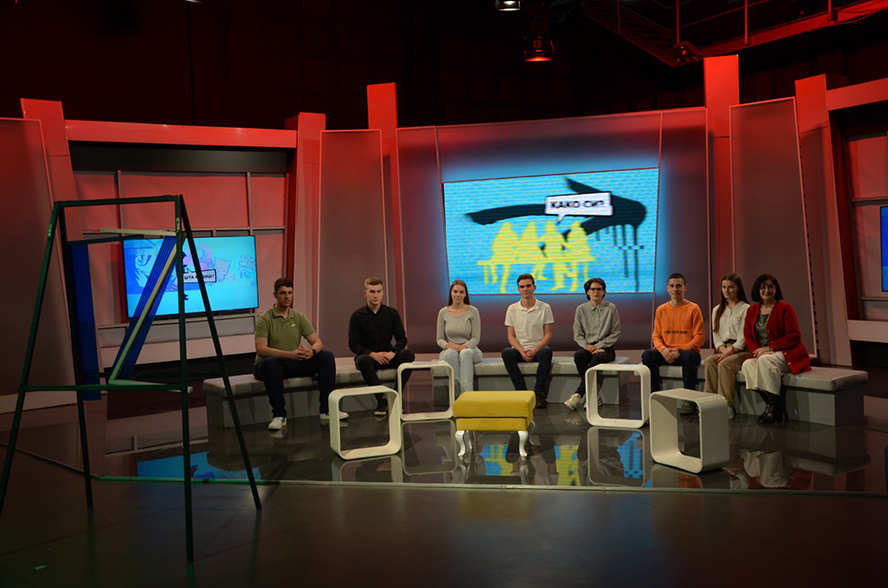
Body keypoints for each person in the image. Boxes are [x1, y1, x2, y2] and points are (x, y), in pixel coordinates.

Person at [254, 277, 340, 430]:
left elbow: (318, 342)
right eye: (283, 293)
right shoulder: (264, 319)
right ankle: (279, 415)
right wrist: (290, 354)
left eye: (290, 293)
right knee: (271, 363)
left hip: (293, 361)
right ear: (275, 295)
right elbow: (261, 349)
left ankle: (327, 410)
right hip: (269, 364)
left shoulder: (298, 317)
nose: (287, 297)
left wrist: (311, 352)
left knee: (326, 356)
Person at [741, 274, 811, 424]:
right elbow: (748, 335)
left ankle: (773, 410)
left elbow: (794, 336)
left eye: (770, 287)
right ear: (757, 290)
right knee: (747, 364)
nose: (767, 290)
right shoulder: (752, 310)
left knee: (765, 361)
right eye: (763, 287)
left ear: (776, 289)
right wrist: (757, 351)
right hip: (763, 354)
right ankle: (773, 405)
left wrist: (770, 348)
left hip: (786, 352)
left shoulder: (785, 308)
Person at [348, 277, 416, 416]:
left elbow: (402, 338)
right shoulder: (357, 316)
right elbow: (353, 344)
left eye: (379, 291)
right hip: (369, 358)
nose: (376, 295)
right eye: (372, 291)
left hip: (388, 355)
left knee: (408, 355)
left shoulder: (391, 313)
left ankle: (396, 396)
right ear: (365, 293)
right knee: (362, 360)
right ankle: (381, 399)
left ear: (383, 293)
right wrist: (372, 354)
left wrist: (393, 352)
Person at [641, 273, 705, 410]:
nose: (675, 289)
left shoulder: (694, 308)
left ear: (685, 287)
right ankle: (656, 396)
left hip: (687, 353)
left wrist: (680, 351)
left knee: (688, 356)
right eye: (672, 286)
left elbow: (699, 338)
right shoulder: (661, 310)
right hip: (667, 353)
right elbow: (656, 336)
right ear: (667, 288)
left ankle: (689, 400)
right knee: (647, 355)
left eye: (678, 286)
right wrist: (663, 350)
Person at [565, 277, 621, 411]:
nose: (596, 292)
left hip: (606, 348)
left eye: (599, 289)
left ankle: (578, 394)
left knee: (596, 358)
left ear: (604, 292)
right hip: (588, 347)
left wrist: (599, 346)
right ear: (587, 292)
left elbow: (615, 332)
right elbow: (577, 333)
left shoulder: (611, 308)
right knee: (579, 355)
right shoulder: (581, 309)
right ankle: (593, 395)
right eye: (593, 289)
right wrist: (588, 346)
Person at [502, 273, 554, 409]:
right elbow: (510, 336)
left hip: (539, 349)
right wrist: (521, 351)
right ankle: (521, 392)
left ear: (534, 287)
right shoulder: (512, 309)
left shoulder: (545, 307)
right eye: (522, 287)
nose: (525, 289)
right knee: (506, 353)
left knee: (547, 352)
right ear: (518, 289)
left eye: (528, 286)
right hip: (520, 350)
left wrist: (535, 350)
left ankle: (538, 393)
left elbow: (548, 335)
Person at [702, 273, 751, 419]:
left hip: (741, 350)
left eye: (730, 287)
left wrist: (731, 350)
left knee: (724, 364)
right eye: (724, 287)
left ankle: (726, 406)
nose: (727, 291)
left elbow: (744, 336)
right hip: (725, 349)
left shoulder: (746, 309)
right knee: (710, 361)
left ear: (738, 288)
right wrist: (723, 350)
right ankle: (709, 404)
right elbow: (716, 335)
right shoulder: (717, 309)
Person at [436, 279, 482, 395]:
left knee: (464, 354)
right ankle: (455, 395)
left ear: (465, 294)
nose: (458, 295)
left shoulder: (473, 311)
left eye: (461, 292)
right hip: (449, 349)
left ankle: (467, 396)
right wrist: (448, 345)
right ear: (451, 293)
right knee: (451, 354)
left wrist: (463, 346)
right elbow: (439, 339)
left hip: (470, 349)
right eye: (455, 291)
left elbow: (476, 338)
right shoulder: (443, 312)